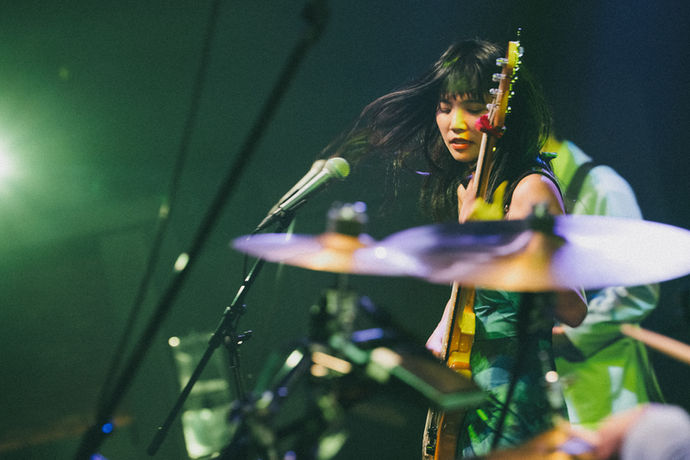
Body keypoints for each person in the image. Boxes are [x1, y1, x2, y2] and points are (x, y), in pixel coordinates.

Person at [323, 39, 587, 458]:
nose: (455, 123)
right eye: (445, 108)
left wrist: (499, 241)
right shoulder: (472, 187)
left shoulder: (530, 188)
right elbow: (469, 299)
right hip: (468, 397)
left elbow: (573, 307)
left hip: (514, 406)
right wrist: (437, 339)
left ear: (502, 114)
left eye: (473, 108)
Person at [544, 136, 664, 430]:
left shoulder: (602, 186)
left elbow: (639, 288)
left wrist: (570, 335)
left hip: (607, 397)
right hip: (557, 397)